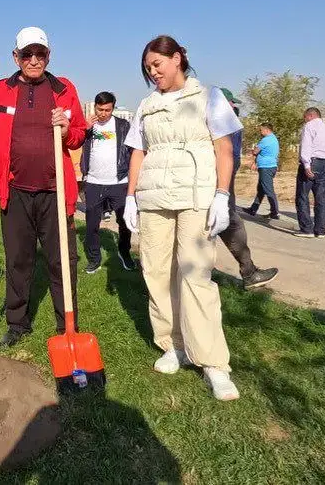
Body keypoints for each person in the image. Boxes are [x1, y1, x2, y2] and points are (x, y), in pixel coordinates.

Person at [123, 35, 241, 401]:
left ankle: (212, 363)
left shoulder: (209, 96)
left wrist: (222, 195)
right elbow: (138, 153)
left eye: (157, 64)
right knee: (155, 270)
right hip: (153, 196)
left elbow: (224, 150)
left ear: (177, 58)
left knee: (195, 273)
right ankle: (171, 344)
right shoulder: (146, 105)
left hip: (195, 194)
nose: (152, 72)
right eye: (147, 68)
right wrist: (130, 198)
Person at [0, 26, 87, 348]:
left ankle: (66, 323)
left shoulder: (64, 89)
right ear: (16, 57)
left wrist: (67, 128)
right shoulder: (1, 90)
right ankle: (17, 324)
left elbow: (80, 133)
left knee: (61, 261)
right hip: (15, 191)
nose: (34, 59)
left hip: (54, 193)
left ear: (48, 56)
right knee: (17, 260)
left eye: (40, 53)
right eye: (27, 54)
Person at [218, 89, 278, 289]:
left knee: (228, 224)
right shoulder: (224, 123)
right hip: (217, 184)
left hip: (221, 183)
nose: (235, 108)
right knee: (230, 225)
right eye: (231, 104)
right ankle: (249, 273)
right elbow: (229, 157)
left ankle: (248, 271)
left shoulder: (228, 122)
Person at [81, 91, 134, 274]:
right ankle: (94, 259)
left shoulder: (123, 126)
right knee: (92, 225)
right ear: (94, 107)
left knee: (124, 221)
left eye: (107, 110)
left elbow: (133, 152)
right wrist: (84, 128)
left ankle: (124, 251)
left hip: (119, 182)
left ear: (113, 109)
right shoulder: (88, 126)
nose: (103, 113)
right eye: (100, 109)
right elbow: (74, 141)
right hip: (94, 182)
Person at [294, 107, 325, 238]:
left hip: (312, 162)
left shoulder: (309, 126)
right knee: (322, 198)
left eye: (305, 117)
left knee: (302, 196)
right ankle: (320, 230)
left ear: (310, 116)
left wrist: (306, 165)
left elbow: (306, 145)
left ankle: (306, 229)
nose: (304, 120)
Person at [242, 122, 280, 219]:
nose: (260, 132)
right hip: (270, 166)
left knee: (268, 189)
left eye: (261, 130)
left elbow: (256, 151)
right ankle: (253, 209)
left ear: (267, 130)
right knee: (261, 189)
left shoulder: (266, 140)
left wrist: (253, 151)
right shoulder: (273, 138)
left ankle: (275, 212)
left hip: (266, 167)